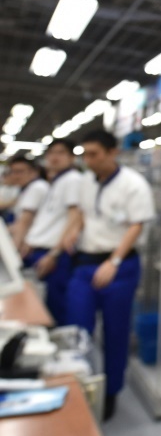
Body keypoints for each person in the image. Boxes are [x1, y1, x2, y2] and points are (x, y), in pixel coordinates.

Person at [61, 130, 154, 420]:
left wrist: (113, 261)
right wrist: (72, 231)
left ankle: (111, 391)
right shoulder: (87, 181)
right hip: (85, 263)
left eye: (94, 155)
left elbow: (137, 225)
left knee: (116, 331)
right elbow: (84, 213)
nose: (88, 161)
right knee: (77, 328)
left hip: (119, 265)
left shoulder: (133, 184)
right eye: (85, 155)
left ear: (113, 152)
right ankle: (79, 385)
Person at [22, 139, 83, 325]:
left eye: (60, 152)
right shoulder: (56, 181)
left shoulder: (72, 180)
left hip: (54, 255)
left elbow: (74, 217)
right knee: (43, 308)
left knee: (55, 310)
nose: (54, 157)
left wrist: (55, 253)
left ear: (71, 157)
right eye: (51, 153)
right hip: (41, 251)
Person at [6, 154, 48, 256]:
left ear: (33, 172)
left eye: (19, 172)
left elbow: (25, 222)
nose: (15, 176)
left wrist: (12, 252)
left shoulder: (37, 187)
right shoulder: (26, 188)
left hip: (34, 246)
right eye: (13, 172)